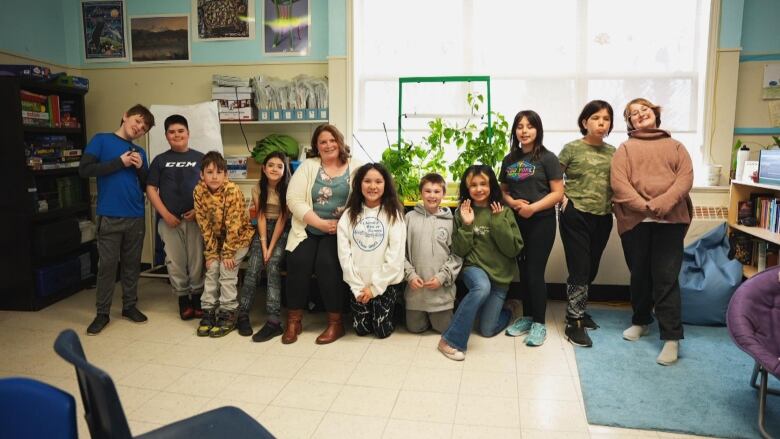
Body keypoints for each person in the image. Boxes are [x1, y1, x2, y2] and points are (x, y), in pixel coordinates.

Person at [611, 98, 693, 366]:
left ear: (655, 115)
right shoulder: (624, 149)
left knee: (666, 277)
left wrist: (662, 204)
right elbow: (619, 184)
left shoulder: (676, 146)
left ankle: (671, 338)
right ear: (630, 123)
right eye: (634, 114)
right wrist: (646, 207)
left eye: (644, 110)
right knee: (640, 275)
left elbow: (685, 179)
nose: (640, 114)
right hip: (636, 222)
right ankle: (641, 321)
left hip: (671, 221)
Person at [80, 104, 154, 336]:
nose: (139, 128)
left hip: (136, 217)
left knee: (131, 264)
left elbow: (146, 185)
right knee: (107, 266)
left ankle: (129, 306)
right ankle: (102, 313)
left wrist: (141, 169)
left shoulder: (140, 153)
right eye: (138, 121)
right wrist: (118, 163)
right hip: (110, 215)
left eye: (144, 128)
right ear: (125, 116)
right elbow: (85, 170)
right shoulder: (101, 140)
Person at [284, 124, 362, 344]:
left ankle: (335, 324)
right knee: (298, 260)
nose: (328, 145)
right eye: (322, 142)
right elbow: (293, 199)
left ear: (339, 141)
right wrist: (319, 222)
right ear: (316, 147)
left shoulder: (355, 167)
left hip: (340, 232)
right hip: (307, 229)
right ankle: (294, 320)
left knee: (327, 264)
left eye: (332, 140)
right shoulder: (309, 166)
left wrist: (341, 224)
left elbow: (363, 199)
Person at [438, 165, 523, 361]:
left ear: (491, 185)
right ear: (466, 188)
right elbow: (459, 250)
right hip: (474, 269)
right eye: (473, 185)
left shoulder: (504, 211)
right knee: (481, 287)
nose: (478, 189)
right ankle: (450, 341)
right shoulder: (463, 211)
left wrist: (498, 222)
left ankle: (508, 308)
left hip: (500, 279)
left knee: (487, 330)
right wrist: (467, 225)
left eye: (483, 183)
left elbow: (513, 250)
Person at [501, 110, 564, 347]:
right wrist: (514, 203)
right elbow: (503, 191)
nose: (524, 131)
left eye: (529, 126)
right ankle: (527, 317)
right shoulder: (509, 160)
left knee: (535, 272)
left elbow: (558, 193)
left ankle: (539, 323)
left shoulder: (548, 158)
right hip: (516, 222)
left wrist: (533, 208)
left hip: (542, 222)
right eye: (519, 126)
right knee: (523, 271)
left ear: (538, 130)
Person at [557, 101, 616, 347]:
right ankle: (574, 320)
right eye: (596, 118)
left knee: (591, 268)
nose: (601, 123)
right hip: (575, 214)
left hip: (603, 216)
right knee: (580, 267)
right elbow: (554, 178)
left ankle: (579, 308)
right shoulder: (571, 149)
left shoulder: (614, 152)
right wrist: (561, 197)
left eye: (606, 119)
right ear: (585, 122)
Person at [146, 114, 205, 321]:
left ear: (188, 133)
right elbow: (151, 189)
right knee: (175, 261)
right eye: (172, 132)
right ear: (166, 136)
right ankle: (183, 299)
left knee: (197, 259)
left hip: (196, 220)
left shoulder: (201, 158)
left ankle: (197, 297)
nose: (177, 135)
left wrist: (198, 211)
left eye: (181, 131)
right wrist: (165, 214)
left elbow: (212, 187)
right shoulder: (160, 160)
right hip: (169, 221)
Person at [337, 163, 406, 338]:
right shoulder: (349, 215)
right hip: (358, 285)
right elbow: (344, 255)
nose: (373, 186)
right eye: (367, 181)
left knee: (381, 331)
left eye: (378, 181)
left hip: (385, 282)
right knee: (361, 330)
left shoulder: (394, 215)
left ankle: (393, 308)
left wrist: (375, 288)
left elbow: (395, 256)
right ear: (359, 184)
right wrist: (358, 287)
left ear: (386, 185)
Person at [193, 151, 254, 337]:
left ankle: (229, 312)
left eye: (219, 172)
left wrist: (227, 254)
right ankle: (209, 310)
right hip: (217, 242)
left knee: (227, 270)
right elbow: (204, 225)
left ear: (226, 175)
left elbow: (234, 226)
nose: (214, 176)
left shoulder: (232, 191)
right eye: (209, 172)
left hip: (238, 240)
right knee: (212, 268)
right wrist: (211, 253)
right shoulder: (198, 191)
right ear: (202, 175)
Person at [236, 151, 291, 342]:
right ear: (264, 168)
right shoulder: (258, 188)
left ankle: (274, 320)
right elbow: (259, 216)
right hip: (262, 229)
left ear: (285, 170)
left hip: (281, 230)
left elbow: (283, 220)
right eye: (271, 165)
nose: (275, 169)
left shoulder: (288, 189)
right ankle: (242, 313)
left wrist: (270, 247)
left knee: (273, 264)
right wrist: (263, 242)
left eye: (279, 166)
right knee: (253, 266)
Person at [404, 173, 463, 334]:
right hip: (416, 293)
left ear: (443, 194)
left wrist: (442, 277)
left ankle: (448, 308)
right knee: (415, 328)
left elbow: (457, 254)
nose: (432, 195)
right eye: (428, 191)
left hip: (441, 292)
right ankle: (422, 315)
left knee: (443, 328)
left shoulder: (451, 221)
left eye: (437, 191)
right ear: (420, 193)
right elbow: (399, 253)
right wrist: (409, 275)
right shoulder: (409, 218)